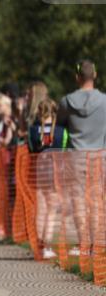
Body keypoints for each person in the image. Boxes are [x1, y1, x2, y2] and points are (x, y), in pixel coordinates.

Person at [57, 59, 106, 259]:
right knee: (96, 200)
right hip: (99, 156)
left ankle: (82, 243)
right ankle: (95, 245)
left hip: (75, 156)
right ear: (94, 75)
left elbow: (60, 126)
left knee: (77, 201)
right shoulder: (104, 101)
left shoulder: (67, 101)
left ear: (77, 77)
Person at [27, 98, 69, 260]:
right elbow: (64, 151)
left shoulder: (32, 130)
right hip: (55, 172)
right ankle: (47, 246)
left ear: (39, 112)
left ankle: (38, 246)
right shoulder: (62, 131)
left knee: (41, 209)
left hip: (38, 171)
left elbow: (31, 149)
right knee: (52, 211)